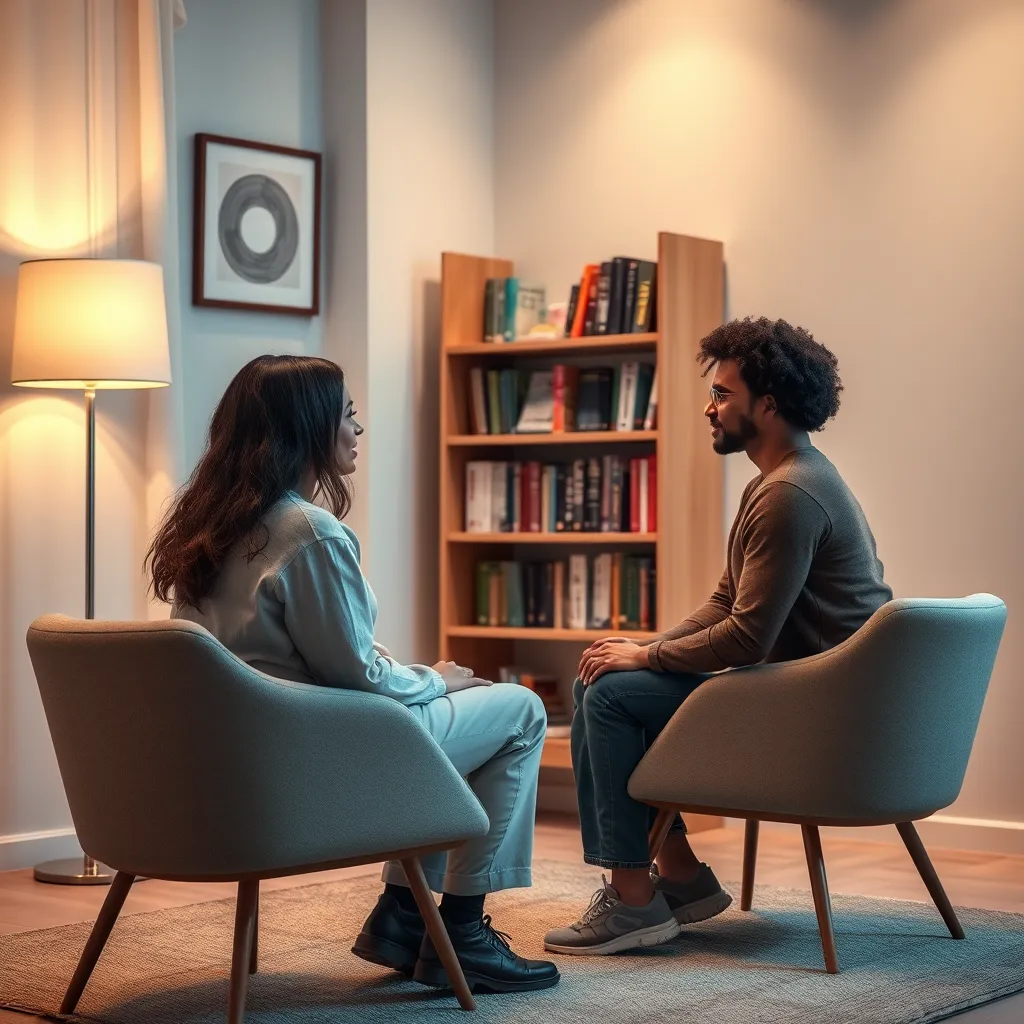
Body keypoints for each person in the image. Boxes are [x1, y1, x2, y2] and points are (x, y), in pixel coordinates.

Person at [147, 354, 559, 994]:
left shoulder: (209, 529)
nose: (358, 429)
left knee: (464, 722)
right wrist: (436, 679)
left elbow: (297, 660)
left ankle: (403, 915)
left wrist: (415, 678)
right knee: (520, 711)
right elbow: (359, 676)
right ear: (310, 426)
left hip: (235, 771)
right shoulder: (309, 533)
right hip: (314, 769)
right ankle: (461, 931)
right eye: (348, 414)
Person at [544, 317, 893, 956]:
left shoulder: (790, 495)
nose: (709, 407)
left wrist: (645, 657)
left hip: (818, 722)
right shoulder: (786, 479)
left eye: (723, 394)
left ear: (769, 404)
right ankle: (680, 878)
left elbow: (747, 638)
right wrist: (641, 652)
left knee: (608, 697)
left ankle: (634, 900)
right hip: (814, 700)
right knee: (608, 680)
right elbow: (727, 602)